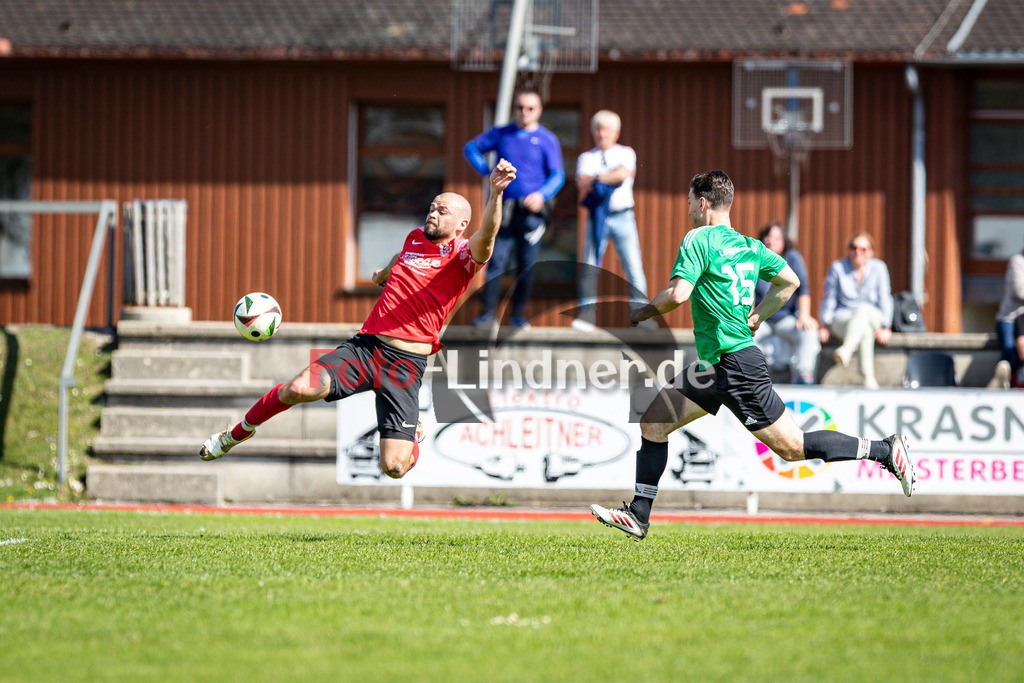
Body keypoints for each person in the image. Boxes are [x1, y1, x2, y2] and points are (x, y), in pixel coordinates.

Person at [589, 171, 914, 540]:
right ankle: (639, 514)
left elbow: (678, 294)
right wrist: (758, 315)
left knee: (794, 447)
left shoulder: (698, 238)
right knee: (654, 422)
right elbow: (790, 281)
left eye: (688, 204)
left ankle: (884, 451)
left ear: (703, 203)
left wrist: (641, 312)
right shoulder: (749, 246)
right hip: (714, 366)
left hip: (736, 364)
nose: (688, 212)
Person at [199, 160, 519, 477]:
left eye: (442, 211)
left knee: (394, 467)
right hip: (365, 349)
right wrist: (384, 274)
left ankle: (413, 435)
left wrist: (495, 194)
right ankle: (236, 434)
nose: (432, 213)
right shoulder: (415, 238)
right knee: (297, 388)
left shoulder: (463, 256)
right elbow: (403, 258)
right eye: (432, 207)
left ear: (461, 225)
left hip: (405, 366)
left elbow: (488, 235)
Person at [463, 90, 565, 329]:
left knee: (526, 264)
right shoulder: (501, 133)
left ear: (539, 111)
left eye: (530, 108)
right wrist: (486, 172)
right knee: (495, 260)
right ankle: (488, 315)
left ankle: (518, 316)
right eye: (520, 107)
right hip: (503, 209)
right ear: (514, 109)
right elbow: (470, 149)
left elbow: (558, 175)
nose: (524, 112)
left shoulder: (547, 139)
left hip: (532, 213)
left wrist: (542, 195)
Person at [572, 109, 649, 331]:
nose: (601, 134)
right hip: (597, 218)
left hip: (623, 217)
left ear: (616, 132)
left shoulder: (626, 152)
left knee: (633, 267)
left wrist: (595, 177)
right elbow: (581, 184)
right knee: (589, 265)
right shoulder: (586, 157)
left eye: (605, 129)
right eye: (597, 129)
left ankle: (642, 317)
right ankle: (586, 315)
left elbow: (624, 173)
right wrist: (604, 177)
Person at [818, 232, 894, 390]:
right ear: (848, 250)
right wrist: (825, 324)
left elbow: (885, 298)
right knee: (864, 330)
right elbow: (829, 298)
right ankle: (868, 377)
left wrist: (886, 327)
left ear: (871, 252)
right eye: (854, 248)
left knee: (864, 310)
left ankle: (847, 348)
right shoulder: (838, 268)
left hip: (872, 315)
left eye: (863, 249)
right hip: (844, 318)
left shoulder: (879, 268)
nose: (858, 252)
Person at [752, 221, 821, 384]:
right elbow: (749, 290)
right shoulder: (754, 259)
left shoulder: (793, 258)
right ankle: (745, 377)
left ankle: (804, 376)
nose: (771, 241)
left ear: (784, 241)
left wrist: (804, 315)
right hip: (760, 318)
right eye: (767, 237)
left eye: (777, 238)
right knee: (742, 336)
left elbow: (803, 288)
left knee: (809, 332)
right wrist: (750, 317)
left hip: (785, 318)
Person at [994, 239, 1024, 388]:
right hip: (1011, 318)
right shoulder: (1017, 261)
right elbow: (1019, 290)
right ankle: (1006, 382)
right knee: (1010, 350)